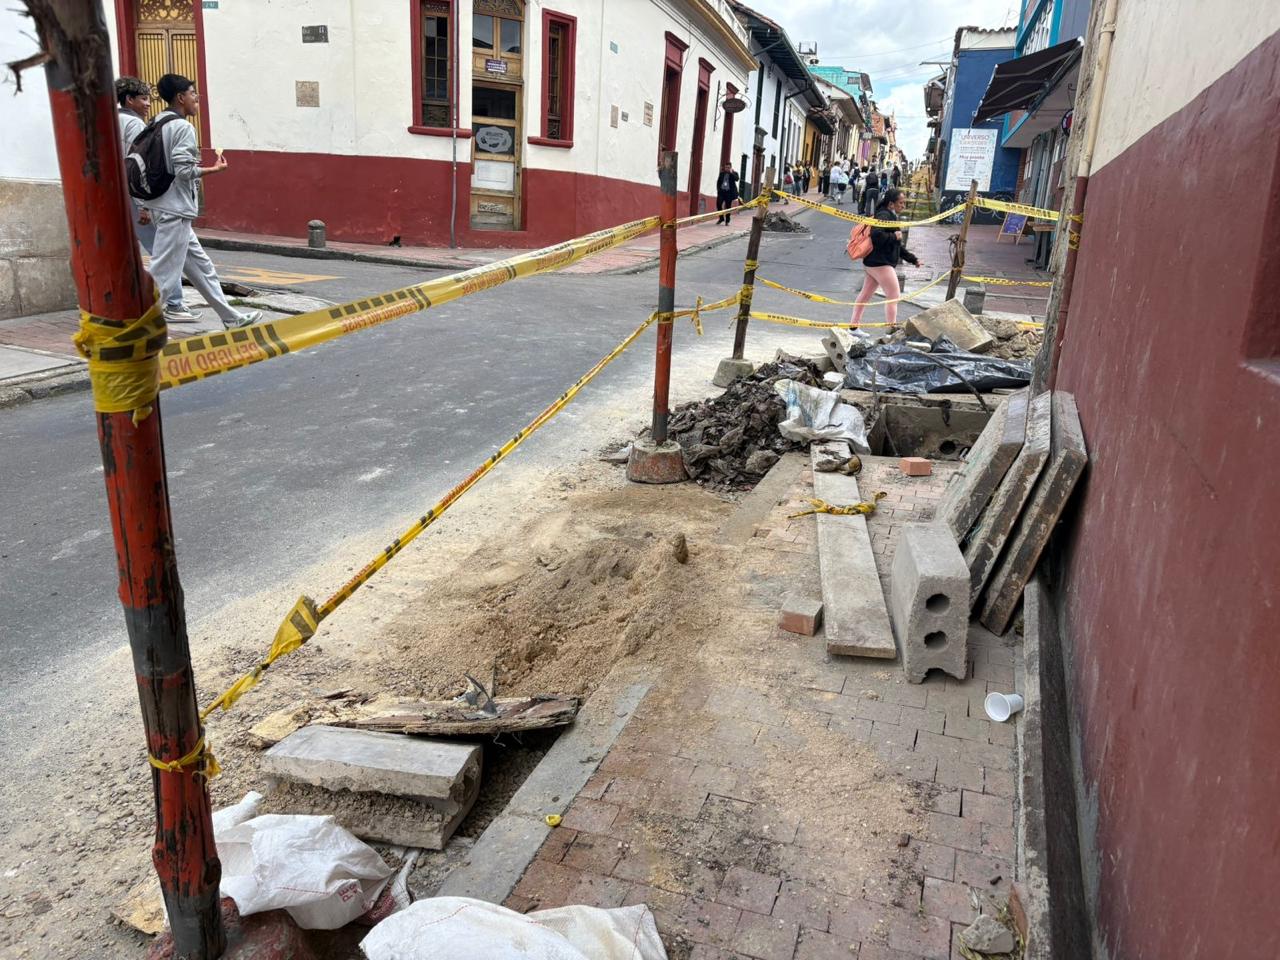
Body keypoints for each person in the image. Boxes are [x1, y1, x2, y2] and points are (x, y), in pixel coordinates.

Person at [145, 73, 261, 329]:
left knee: (202, 267)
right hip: (174, 210)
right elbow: (183, 171)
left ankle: (231, 317)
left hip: (165, 207)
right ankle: (134, 327)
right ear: (180, 97)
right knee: (164, 274)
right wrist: (213, 170)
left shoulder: (157, 122)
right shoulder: (183, 127)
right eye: (192, 92)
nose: (196, 98)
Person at [115, 76, 186, 317]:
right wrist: (143, 205)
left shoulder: (112, 120)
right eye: (143, 99)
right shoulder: (134, 126)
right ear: (129, 100)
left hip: (116, 194)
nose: (148, 104)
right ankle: (173, 302)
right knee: (161, 249)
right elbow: (135, 166)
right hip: (134, 196)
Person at [851, 188, 921, 328]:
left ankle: (853, 327)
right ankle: (891, 329)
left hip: (873, 262)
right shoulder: (885, 215)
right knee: (893, 295)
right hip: (880, 263)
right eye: (900, 203)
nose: (903, 206)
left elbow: (896, 246)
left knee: (865, 295)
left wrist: (913, 259)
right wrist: (893, 236)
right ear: (891, 204)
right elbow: (877, 236)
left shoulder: (888, 215)